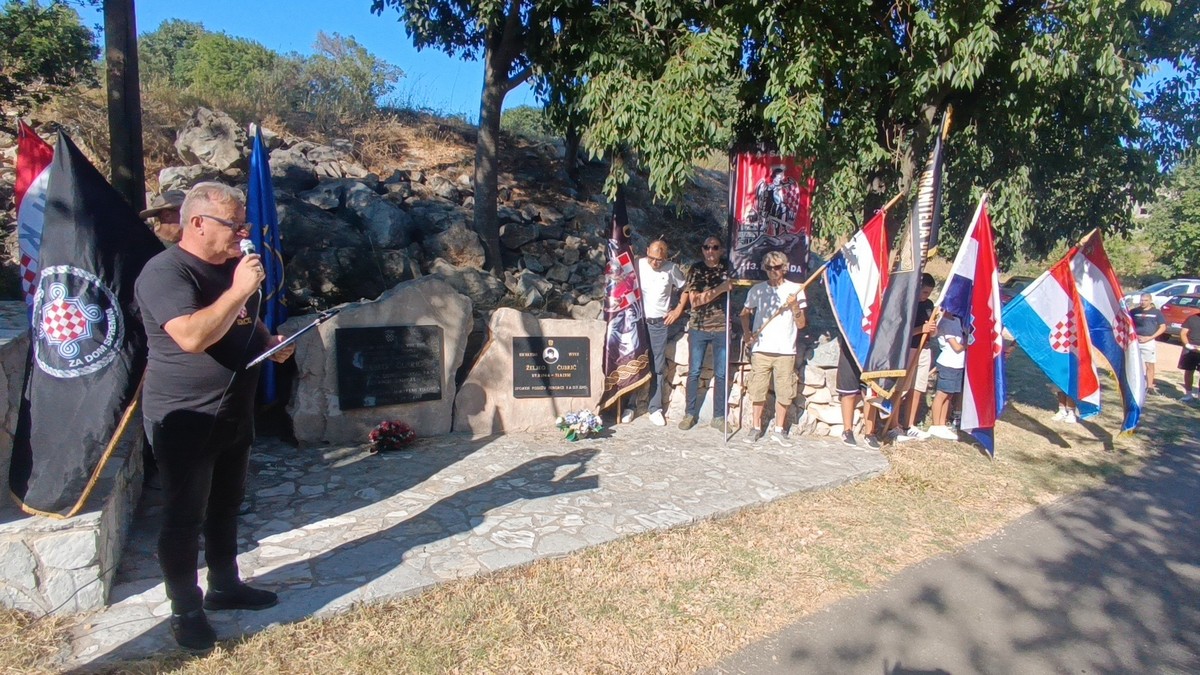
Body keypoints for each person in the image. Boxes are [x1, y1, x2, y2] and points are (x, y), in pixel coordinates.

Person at [135, 182, 295, 651]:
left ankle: (226, 586)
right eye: (235, 225)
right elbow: (191, 337)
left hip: (233, 412)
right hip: (186, 418)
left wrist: (270, 344)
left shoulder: (230, 268)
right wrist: (241, 288)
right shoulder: (165, 273)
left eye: (245, 223)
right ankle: (186, 609)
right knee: (185, 516)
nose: (243, 234)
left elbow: (245, 318)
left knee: (225, 507)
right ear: (198, 222)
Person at [740, 250, 806, 445]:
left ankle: (779, 429)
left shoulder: (795, 290)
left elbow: (801, 324)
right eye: (768, 267)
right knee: (757, 389)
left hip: (785, 350)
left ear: (784, 268)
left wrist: (794, 306)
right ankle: (755, 427)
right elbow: (744, 313)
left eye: (777, 267)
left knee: (784, 391)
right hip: (761, 349)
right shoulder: (757, 290)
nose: (773, 271)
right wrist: (746, 333)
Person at [621, 239, 686, 425]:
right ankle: (630, 406)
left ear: (666, 256)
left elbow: (686, 289)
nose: (655, 262)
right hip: (638, 322)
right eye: (652, 257)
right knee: (635, 362)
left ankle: (655, 408)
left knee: (657, 366)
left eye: (660, 259)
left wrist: (677, 311)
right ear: (647, 251)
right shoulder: (638, 264)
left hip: (659, 323)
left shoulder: (671, 269)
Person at [677, 236, 733, 431]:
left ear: (721, 250)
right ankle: (689, 414)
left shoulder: (729, 267)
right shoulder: (696, 270)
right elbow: (696, 301)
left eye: (715, 247)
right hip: (699, 327)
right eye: (707, 247)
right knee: (693, 372)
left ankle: (718, 417)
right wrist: (721, 289)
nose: (711, 251)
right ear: (702, 249)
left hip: (722, 328)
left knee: (721, 373)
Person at [896, 273, 937, 441]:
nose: (926, 296)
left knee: (918, 387)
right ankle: (894, 424)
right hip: (908, 348)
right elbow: (902, 332)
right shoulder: (907, 303)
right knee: (902, 387)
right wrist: (921, 329)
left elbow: (932, 331)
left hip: (924, 348)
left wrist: (932, 330)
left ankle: (910, 424)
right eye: (924, 292)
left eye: (928, 293)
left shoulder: (929, 305)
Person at [836, 338, 880, 449]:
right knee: (848, 392)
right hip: (851, 348)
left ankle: (869, 433)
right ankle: (847, 430)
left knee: (870, 393)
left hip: (871, 350)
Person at [928, 310, 965, 440]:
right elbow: (957, 347)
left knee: (949, 395)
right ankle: (935, 424)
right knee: (941, 394)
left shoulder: (956, 320)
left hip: (958, 364)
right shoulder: (944, 322)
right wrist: (969, 342)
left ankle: (942, 424)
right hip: (948, 363)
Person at [1129, 293, 1166, 395]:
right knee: (1133, 362)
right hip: (1134, 341)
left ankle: (1149, 386)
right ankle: (1133, 384)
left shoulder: (1156, 313)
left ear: (1150, 301)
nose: (1143, 302)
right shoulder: (1134, 312)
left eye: (1145, 300)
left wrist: (1150, 338)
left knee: (1149, 363)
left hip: (1148, 341)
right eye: (1141, 300)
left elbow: (1162, 327)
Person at [1179, 311, 1200, 403]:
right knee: (1188, 371)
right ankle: (1188, 394)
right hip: (1190, 347)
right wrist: (1188, 345)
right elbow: (1183, 333)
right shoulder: (1191, 318)